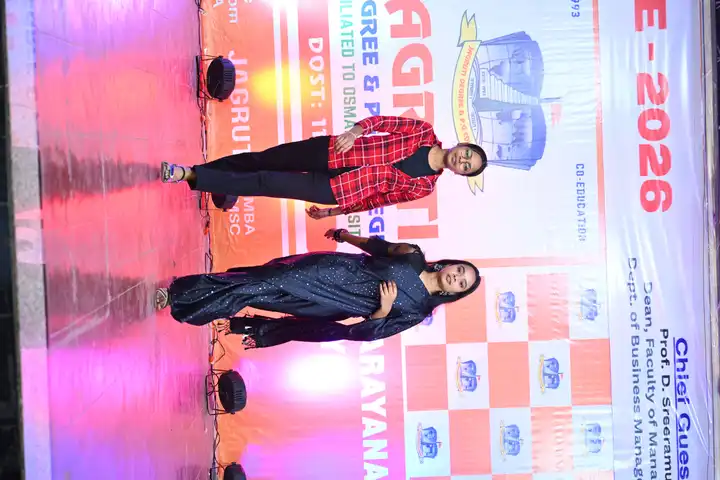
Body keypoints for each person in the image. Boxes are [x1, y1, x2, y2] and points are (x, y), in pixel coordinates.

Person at [155, 230, 481, 349]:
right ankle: (179, 295)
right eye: (459, 270)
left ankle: (192, 304)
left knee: (259, 293)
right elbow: (376, 247)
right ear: (449, 264)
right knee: (261, 280)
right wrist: (344, 236)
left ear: (455, 293)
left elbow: (369, 334)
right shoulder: (413, 255)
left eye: (462, 283)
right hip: (329, 269)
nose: (457, 277)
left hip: (331, 305)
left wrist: (382, 309)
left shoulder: (417, 311)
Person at [160, 115, 487, 219]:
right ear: (462, 145)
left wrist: (333, 213)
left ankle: (191, 175)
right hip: (331, 151)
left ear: (461, 174)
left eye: (467, 167)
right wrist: (356, 131)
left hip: (337, 190)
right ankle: (201, 171)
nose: (462, 161)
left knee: (266, 182)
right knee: (263, 160)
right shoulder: (423, 131)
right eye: (466, 155)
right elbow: (384, 122)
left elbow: (376, 201)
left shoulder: (423, 187)